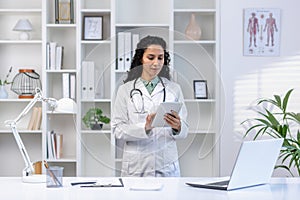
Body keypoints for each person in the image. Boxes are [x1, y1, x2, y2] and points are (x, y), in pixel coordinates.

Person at [112, 35, 189, 177]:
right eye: (151, 57)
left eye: (160, 58)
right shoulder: (125, 90)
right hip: (136, 166)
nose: (156, 63)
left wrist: (178, 127)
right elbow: (117, 130)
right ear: (141, 58)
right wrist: (145, 127)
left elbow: (185, 130)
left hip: (165, 165)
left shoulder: (174, 89)